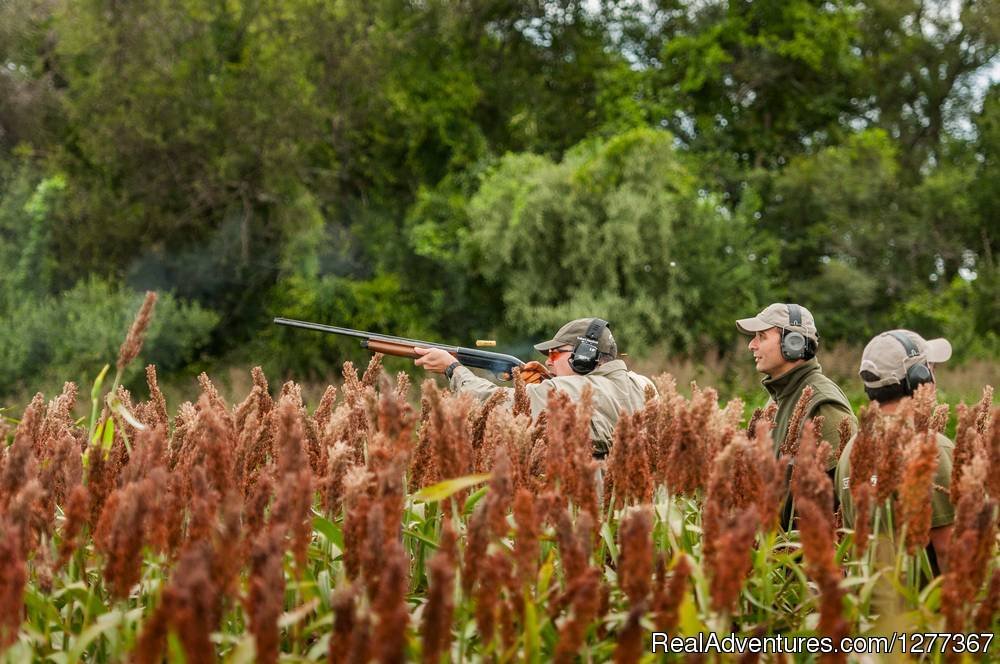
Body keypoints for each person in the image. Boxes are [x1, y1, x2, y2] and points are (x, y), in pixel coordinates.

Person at [413, 318, 656, 457]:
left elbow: (493, 403)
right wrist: (547, 380)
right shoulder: (644, 385)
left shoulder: (568, 391)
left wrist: (453, 369)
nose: (549, 360)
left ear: (583, 357)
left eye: (555, 353)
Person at [835, 329, 955, 573]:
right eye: (931, 369)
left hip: (866, 608)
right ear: (919, 379)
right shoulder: (930, 447)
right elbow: (948, 552)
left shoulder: (852, 449)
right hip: (919, 609)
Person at [736, 303, 857, 465]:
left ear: (793, 343)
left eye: (762, 336)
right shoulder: (778, 398)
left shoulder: (823, 406)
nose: (751, 345)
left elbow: (847, 482)